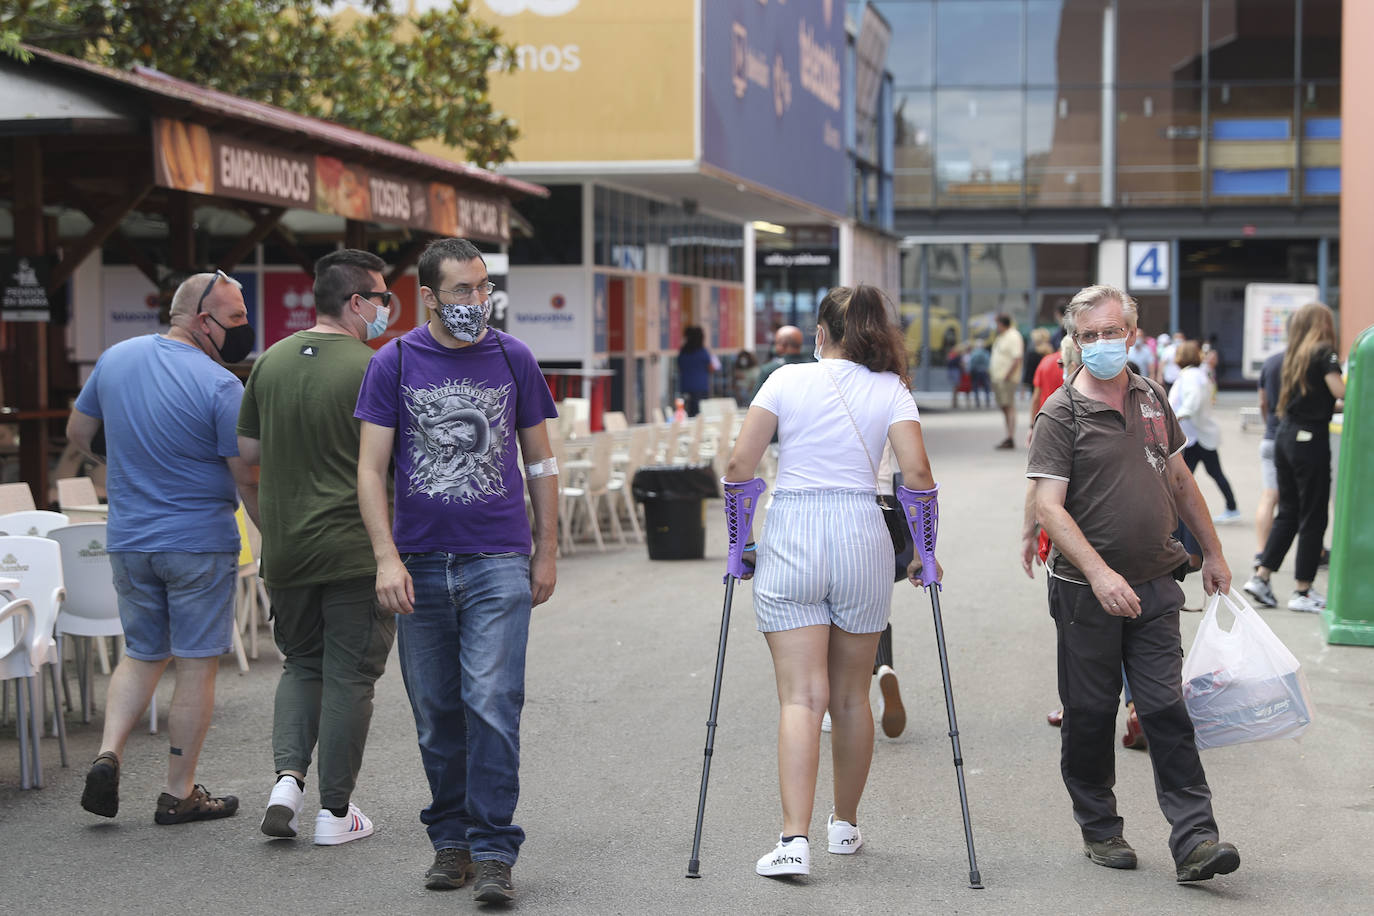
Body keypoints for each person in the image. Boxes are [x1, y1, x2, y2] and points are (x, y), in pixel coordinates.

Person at [354, 237, 559, 904]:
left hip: (497, 559)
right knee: (437, 714)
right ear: (431, 297)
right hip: (418, 561)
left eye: (482, 287)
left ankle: (495, 848)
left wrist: (547, 547)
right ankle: (452, 841)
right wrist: (385, 556)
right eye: (463, 290)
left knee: (493, 705)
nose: (477, 301)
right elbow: (370, 469)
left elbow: (541, 463)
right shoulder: (394, 362)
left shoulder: (513, 357)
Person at [724, 284, 938, 879]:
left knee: (801, 698)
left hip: (792, 530)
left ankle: (793, 840)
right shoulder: (891, 388)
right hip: (862, 534)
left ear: (821, 335)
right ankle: (843, 827)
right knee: (850, 697)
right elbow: (916, 474)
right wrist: (925, 551)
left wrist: (739, 543)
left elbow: (741, 466)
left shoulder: (785, 380)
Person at [1027, 283, 1239, 884]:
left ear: (1133, 333)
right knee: (1090, 713)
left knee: (1167, 706)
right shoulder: (1060, 413)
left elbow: (1178, 479)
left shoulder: (1150, 395)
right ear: (1075, 340)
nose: (1101, 343)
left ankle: (1196, 838)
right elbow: (1049, 507)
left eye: (1110, 332)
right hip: (1084, 592)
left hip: (1155, 583)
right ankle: (1100, 828)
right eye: (1088, 335)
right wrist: (1098, 572)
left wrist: (1215, 552)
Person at [67, 270, 259, 826]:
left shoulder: (116, 358)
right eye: (238, 319)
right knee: (197, 665)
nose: (244, 329)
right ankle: (179, 792)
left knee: (143, 653)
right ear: (204, 320)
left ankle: (109, 753)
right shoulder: (223, 386)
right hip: (199, 542)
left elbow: (80, 436)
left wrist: (125, 469)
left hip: (130, 537)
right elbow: (244, 474)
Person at [236, 249, 398, 846]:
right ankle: (335, 812)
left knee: (302, 664)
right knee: (352, 675)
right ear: (356, 302)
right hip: (358, 549)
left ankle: (286, 784)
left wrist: (270, 525)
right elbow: (396, 463)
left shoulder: (270, 363)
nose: (386, 309)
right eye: (381, 298)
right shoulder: (376, 367)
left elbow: (247, 462)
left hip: (289, 551)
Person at [1243, 302, 1345, 614]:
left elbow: (1321, 400)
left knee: (1288, 511)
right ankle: (1302, 589)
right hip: (1309, 440)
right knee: (1314, 516)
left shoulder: (1291, 357)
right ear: (1322, 324)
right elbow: (1340, 392)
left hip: (1285, 436)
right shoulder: (1324, 353)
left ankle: (1262, 576)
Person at [1169, 341, 1241, 523]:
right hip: (1197, 435)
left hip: (1196, 436)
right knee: (1196, 475)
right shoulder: (1195, 374)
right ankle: (1230, 507)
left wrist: (1179, 416)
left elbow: (1193, 399)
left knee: (1187, 477)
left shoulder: (1191, 376)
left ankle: (1178, 515)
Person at [1254, 346, 1285, 566]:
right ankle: (1317, 550)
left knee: (1269, 496)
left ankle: (1261, 551)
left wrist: (1268, 424)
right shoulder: (1301, 361)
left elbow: (1262, 402)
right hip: (1293, 439)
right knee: (1301, 501)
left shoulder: (1271, 362)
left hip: (1270, 437)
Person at [990, 313, 1025, 448]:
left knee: (1009, 406)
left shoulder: (1013, 336)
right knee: (1004, 406)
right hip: (998, 378)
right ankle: (1008, 436)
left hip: (1007, 378)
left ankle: (1010, 436)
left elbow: (1017, 358)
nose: (996, 327)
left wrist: (1007, 375)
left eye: (997, 323)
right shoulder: (1001, 337)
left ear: (1002, 323)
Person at [754, 324, 809, 396]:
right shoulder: (814, 367)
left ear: (783, 344)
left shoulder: (769, 370)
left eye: (776, 343)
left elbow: (755, 402)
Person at [677, 325, 718, 416]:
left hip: (685, 387)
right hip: (700, 388)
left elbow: (680, 367)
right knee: (700, 415)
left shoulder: (683, 352)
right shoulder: (702, 352)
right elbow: (711, 368)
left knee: (687, 413)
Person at [1024, 327, 1051, 398]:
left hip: (1036, 385)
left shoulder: (1032, 354)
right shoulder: (1051, 351)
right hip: (1049, 384)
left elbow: (1029, 373)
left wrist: (1024, 387)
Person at [967, 340, 991, 409]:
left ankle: (977, 402)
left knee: (976, 387)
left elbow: (971, 363)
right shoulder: (985, 353)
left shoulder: (974, 353)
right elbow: (988, 362)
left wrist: (969, 371)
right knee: (986, 387)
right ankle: (987, 401)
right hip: (984, 371)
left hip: (976, 371)